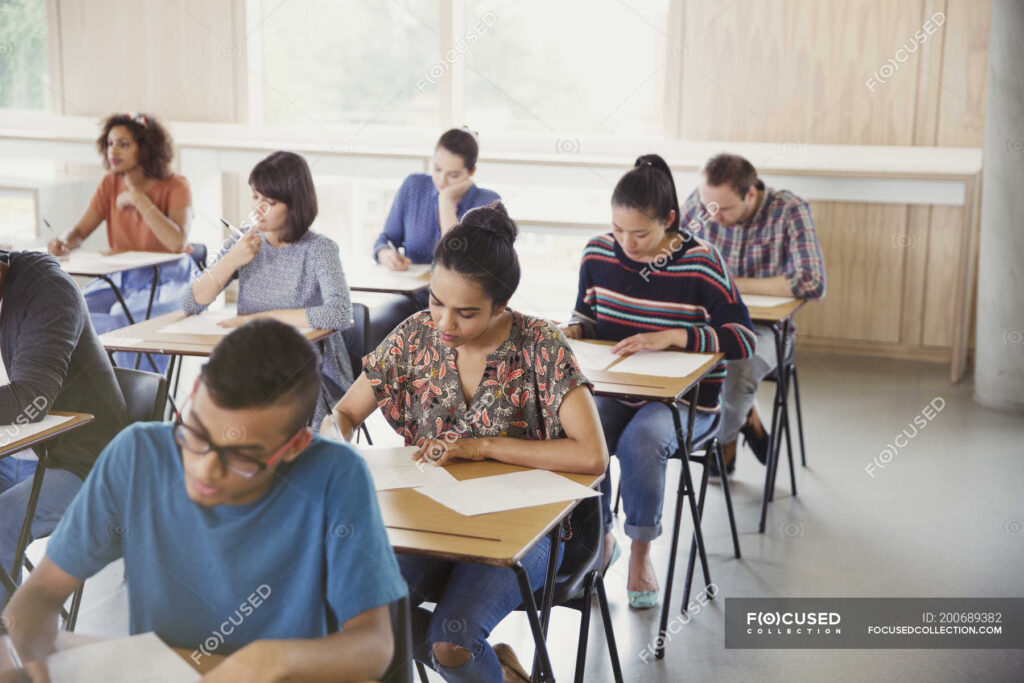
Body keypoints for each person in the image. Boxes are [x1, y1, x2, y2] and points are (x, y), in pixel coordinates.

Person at [2, 320, 406, 682]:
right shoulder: (138, 454)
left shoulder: (336, 475)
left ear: (295, 446)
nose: (205, 469)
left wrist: (268, 661)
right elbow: (40, 594)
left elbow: (374, 646)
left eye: (242, 456)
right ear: (193, 394)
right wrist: (28, 660)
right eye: (195, 433)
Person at [324, 203, 607, 682]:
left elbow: (591, 454)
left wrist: (483, 446)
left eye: (466, 312)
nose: (444, 323)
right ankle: (498, 672)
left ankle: (484, 667)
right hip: (433, 520)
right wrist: (334, 454)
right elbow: (347, 412)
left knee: (451, 644)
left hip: (531, 531)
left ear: (502, 306)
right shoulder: (415, 336)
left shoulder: (540, 345)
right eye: (435, 301)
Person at [562, 154, 756, 609]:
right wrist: (572, 330)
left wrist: (676, 337)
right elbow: (587, 316)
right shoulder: (597, 253)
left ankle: (641, 552)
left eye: (641, 233)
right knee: (578, 435)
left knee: (642, 440)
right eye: (618, 229)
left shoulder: (701, 263)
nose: (626, 243)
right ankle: (600, 541)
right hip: (615, 389)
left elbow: (744, 338)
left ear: (669, 221)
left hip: (689, 404)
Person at [183, 151, 353, 427]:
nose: (258, 208)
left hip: (307, 370)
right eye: (255, 197)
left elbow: (339, 314)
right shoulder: (244, 242)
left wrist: (259, 320)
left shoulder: (319, 249)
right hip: (251, 363)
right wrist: (230, 261)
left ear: (295, 205)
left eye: (270, 202)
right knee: (211, 408)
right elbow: (191, 303)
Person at [680, 153, 825, 474]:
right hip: (705, 325)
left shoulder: (789, 210)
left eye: (725, 208)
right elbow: (671, 262)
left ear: (751, 193)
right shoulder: (702, 204)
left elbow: (811, 281)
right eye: (708, 207)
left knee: (735, 369)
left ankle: (723, 445)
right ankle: (745, 417)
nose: (713, 216)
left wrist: (727, 282)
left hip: (767, 332)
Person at [0, 249, 126, 605]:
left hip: (84, 462)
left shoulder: (49, 291)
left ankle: (8, 646)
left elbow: (31, 397)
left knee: (2, 521)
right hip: (16, 454)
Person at [47, 113, 198, 371]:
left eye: (123, 144)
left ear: (147, 147)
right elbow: (80, 231)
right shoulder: (109, 184)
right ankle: (94, 389)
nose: (113, 150)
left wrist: (138, 198)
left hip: (168, 279)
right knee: (71, 311)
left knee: (121, 317)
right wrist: (63, 240)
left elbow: (176, 243)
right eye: (109, 143)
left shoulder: (177, 185)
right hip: (120, 278)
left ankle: (139, 393)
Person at [368, 127, 501, 346]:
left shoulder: (488, 203)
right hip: (415, 297)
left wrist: (446, 201)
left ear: (472, 171)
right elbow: (386, 238)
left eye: (454, 175)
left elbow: (458, 259)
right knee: (373, 324)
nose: (442, 180)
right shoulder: (414, 186)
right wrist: (384, 253)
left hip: (461, 306)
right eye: (437, 169)